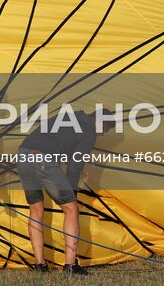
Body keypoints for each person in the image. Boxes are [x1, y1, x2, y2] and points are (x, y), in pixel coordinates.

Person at [17, 108, 104, 275]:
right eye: (104, 131)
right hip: (41, 158)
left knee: (36, 209)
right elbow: (75, 165)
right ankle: (71, 266)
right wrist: (72, 192)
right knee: (71, 208)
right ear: (100, 123)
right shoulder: (89, 131)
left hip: (23, 154)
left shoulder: (67, 117)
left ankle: (40, 265)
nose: (101, 135)